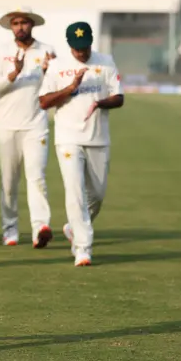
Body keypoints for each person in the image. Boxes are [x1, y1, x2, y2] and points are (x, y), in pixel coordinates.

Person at [39, 21, 124, 266]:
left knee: (97, 195)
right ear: (69, 46)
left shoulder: (105, 61)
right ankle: (83, 248)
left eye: (85, 47)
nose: (82, 53)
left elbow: (119, 97)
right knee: (74, 192)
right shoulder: (57, 66)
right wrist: (71, 88)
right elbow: (44, 102)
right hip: (68, 138)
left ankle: (72, 228)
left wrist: (100, 103)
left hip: (98, 138)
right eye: (77, 49)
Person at [0, 7, 55, 248]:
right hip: (6, 126)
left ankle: (40, 228)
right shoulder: (2, 53)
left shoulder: (47, 51)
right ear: (11, 27)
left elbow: (54, 87)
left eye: (24, 22)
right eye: (15, 23)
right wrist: (13, 75)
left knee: (37, 178)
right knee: (9, 182)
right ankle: (10, 229)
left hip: (36, 125)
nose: (20, 27)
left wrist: (48, 72)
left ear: (32, 25)